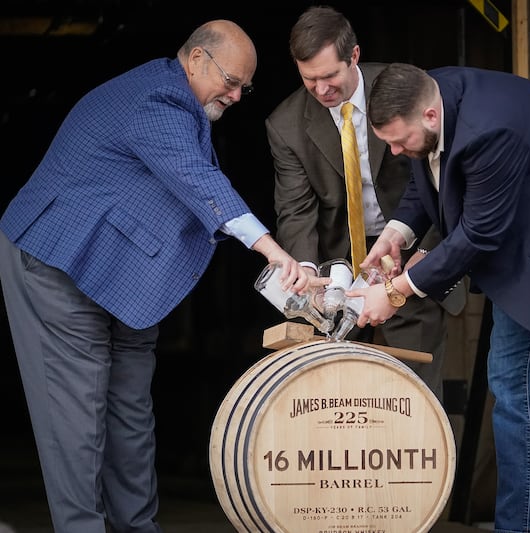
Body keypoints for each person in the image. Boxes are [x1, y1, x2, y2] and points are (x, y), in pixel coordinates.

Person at [0, 20, 318, 533]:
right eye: (231, 82)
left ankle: (137, 527)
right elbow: (197, 178)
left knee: (130, 411)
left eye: (245, 87)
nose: (237, 96)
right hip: (56, 260)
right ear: (196, 59)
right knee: (76, 414)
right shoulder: (158, 98)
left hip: (125, 275)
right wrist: (271, 250)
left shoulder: (183, 103)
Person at [354, 63, 530, 533]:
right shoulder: (425, 98)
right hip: (520, 255)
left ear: (430, 115)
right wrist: (395, 234)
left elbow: (478, 233)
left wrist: (394, 293)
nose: (395, 152)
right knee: (510, 388)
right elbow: (426, 176)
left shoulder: (489, 129)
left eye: (399, 141)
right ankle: (514, 525)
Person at [265, 6, 463, 399]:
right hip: (335, 269)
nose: (321, 89)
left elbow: (441, 180)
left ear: (354, 56)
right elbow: (296, 209)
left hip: (407, 252)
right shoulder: (284, 124)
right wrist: (307, 275)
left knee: (413, 391)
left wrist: (425, 258)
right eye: (309, 79)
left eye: (330, 76)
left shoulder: (403, 90)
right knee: (334, 393)